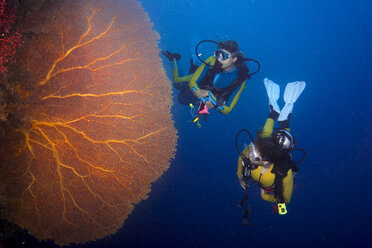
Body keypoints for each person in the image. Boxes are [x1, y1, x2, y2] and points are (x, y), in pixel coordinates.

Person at [236, 78, 306, 217]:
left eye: (255, 155)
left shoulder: (283, 174)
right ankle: (274, 115)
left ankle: (282, 119)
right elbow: (242, 157)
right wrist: (240, 177)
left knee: (286, 148)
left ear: (266, 161)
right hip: (269, 155)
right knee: (265, 138)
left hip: (275, 170)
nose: (250, 155)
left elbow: (286, 198)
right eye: (252, 149)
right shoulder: (254, 153)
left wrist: (265, 196)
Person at [162, 40, 254, 121]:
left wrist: (209, 95)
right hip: (200, 78)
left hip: (205, 90)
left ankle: (194, 64)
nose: (219, 59)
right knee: (177, 83)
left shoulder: (240, 79)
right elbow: (193, 83)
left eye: (224, 56)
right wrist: (209, 100)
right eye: (218, 54)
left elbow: (227, 109)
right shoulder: (212, 60)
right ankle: (174, 59)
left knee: (188, 93)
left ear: (234, 59)